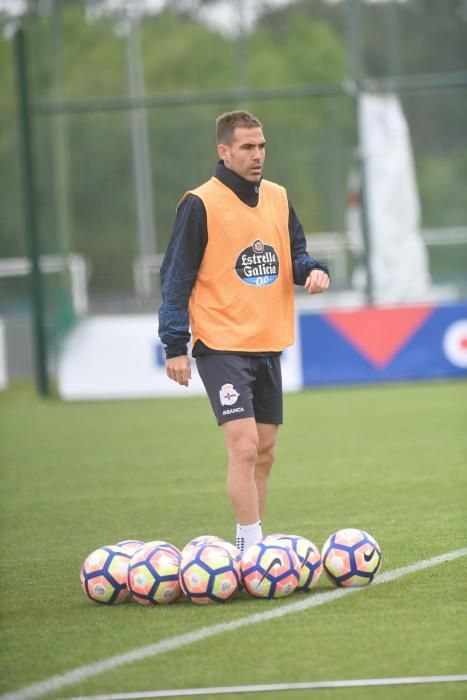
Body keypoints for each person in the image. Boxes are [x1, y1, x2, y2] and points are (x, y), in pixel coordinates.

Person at [158, 110, 330, 553]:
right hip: (220, 344)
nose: (258, 156)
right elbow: (176, 277)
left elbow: (295, 254)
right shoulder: (200, 202)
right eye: (247, 148)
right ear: (224, 151)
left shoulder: (277, 196)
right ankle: (253, 551)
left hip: (268, 342)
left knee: (266, 451)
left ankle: (245, 540)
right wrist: (175, 344)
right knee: (245, 444)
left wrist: (313, 271)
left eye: (262, 146)